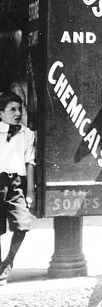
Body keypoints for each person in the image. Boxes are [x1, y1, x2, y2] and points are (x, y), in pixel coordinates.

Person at [0, 92, 35, 285]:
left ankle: (8, 262)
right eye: (12, 109)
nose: (17, 113)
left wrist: (29, 192)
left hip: (15, 184)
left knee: (23, 224)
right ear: (1, 112)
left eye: (19, 108)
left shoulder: (26, 133)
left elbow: (30, 162)